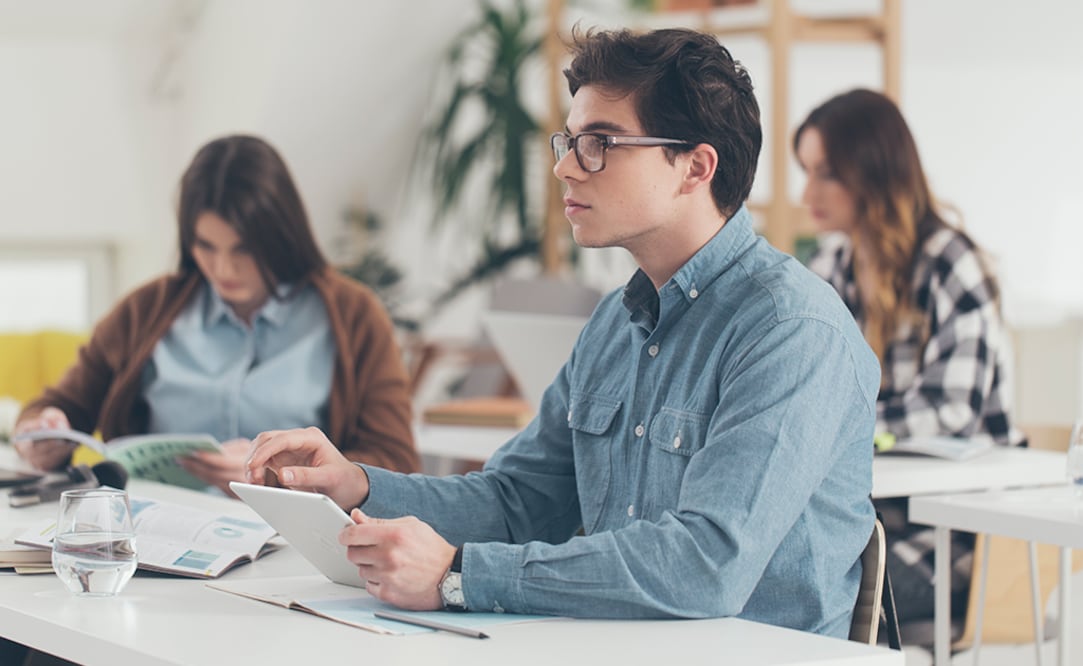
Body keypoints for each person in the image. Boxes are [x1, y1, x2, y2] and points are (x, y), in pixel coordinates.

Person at [246, 28, 880, 637]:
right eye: (569, 142)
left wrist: (459, 574)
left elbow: (706, 565)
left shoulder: (791, 331)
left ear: (694, 167)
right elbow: (517, 502)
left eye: (601, 143)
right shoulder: (614, 322)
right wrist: (358, 485)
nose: (567, 170)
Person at [13, 134, 419, 493]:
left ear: (281, 236)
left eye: (243, 249)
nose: (223, 269)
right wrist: (43, 436)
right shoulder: (144, 311)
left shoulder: (354, 316)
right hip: (156, 534)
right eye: (206, 246)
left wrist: (284, 475)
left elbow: (397, 462)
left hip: (297, 546)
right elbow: (59, 406)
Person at [793, 88, 1025, 628]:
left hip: (950, 534)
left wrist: (831, 427)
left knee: (808, 586)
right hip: (864, 516)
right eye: (806, 170)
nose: (808, 191)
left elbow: (945, 414)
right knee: (773, 571)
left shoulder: (953, 266)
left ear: (874, 172)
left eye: (826, 172)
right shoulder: (833, 262)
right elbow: (804, 384)